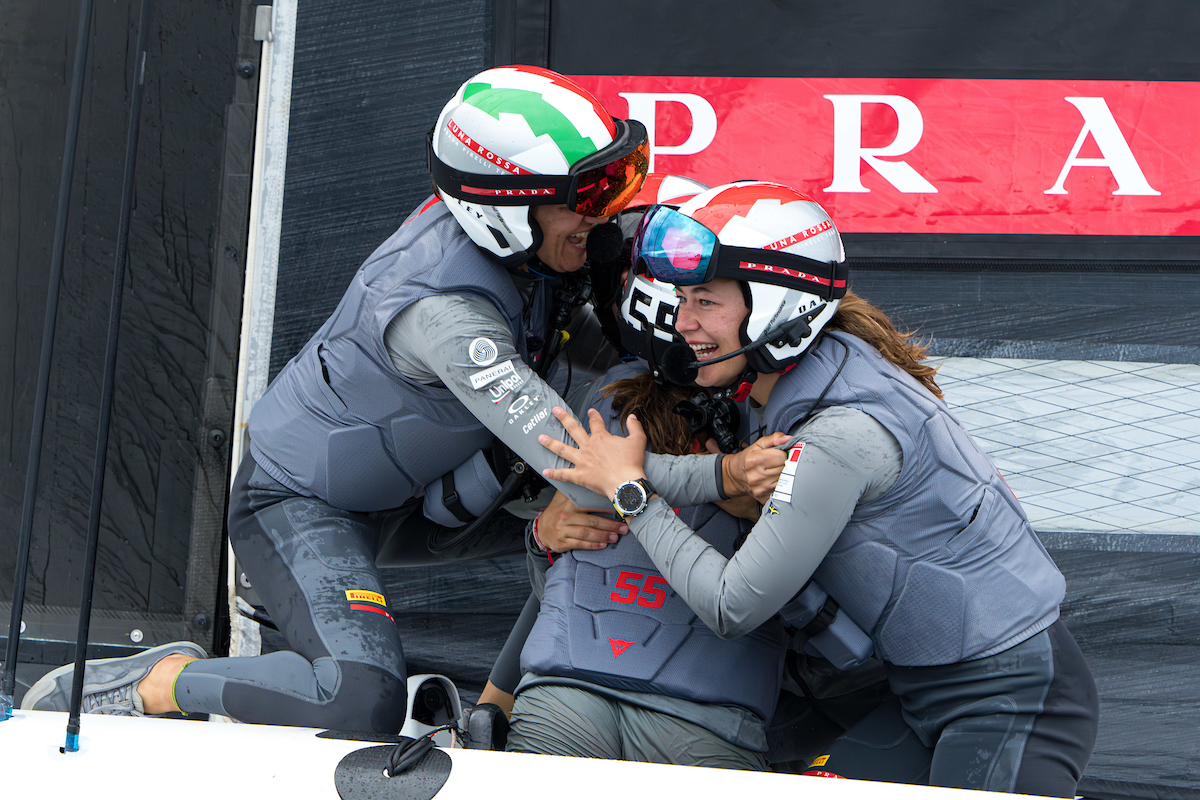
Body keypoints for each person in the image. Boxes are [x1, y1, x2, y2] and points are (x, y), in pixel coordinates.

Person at [23, 65, 650, 730]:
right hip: (298, 503)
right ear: (502, 209)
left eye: (614, 184)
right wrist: (726, 480)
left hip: (410, 495)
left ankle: (491, 715)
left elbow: (609, 364)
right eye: (584, 194)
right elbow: (591, 474)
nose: (600, 213)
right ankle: (157, 683)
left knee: (599, 529)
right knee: (360, 699)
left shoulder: (530, 252)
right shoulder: (448, 315)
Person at [537, 181, 1099, 795]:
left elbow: (733, 604)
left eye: (704, 299)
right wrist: (614, 470)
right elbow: (710, 474)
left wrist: (631, 494)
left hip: (1013, 701)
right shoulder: (798, 374)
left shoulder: (839, 432)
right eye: (680, 297)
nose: (684, 320)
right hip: (922, 692)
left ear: (778, 304)